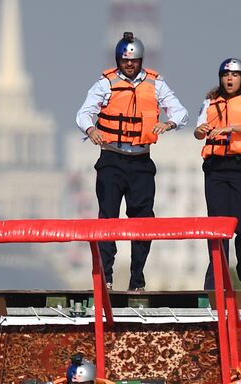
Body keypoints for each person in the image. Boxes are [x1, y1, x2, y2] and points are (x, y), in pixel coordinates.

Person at [75, 32, 188, 291]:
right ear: (118, 60)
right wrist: (91, 130)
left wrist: (169, 123)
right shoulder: (105, 84)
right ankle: (106, 277)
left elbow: (181, 111)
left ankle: (137, 278)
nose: (129, 65)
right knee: (108, 219)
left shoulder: (156, 84)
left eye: (134, 60)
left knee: (143, 219)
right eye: (125, 60)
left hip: (141, 161)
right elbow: (83, 113)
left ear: (141, 60)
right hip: (111, 159)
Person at [194, 58, 241, 291]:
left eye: (235, 75)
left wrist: (232, 128)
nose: (230, 79)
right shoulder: (210, 101)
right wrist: (201, 130)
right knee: (217, 226)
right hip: (215, 167)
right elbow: (197, 132)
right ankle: (215, 278)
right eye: (226, 75)